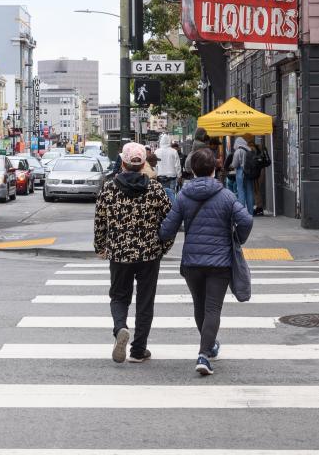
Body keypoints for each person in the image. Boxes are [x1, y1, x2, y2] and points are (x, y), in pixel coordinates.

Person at [159, 147, 253, 376]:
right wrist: (237, 239)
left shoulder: (183, 196)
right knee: (213, 308)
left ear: (192, 170)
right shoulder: (226, 196)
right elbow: (247, 221)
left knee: (200, 307)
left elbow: (167, 230)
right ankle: (204, 354)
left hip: (192, 262)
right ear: (214, 169)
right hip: (219, 263)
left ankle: (208, 346)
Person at [94, 142, 173, 364]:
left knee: (119, 297)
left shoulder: (109, 188)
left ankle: (120, 328)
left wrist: (100, 246)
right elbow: (170, 220)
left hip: (119, 253)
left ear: (124, 163)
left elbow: (100, 221)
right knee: (145, 302)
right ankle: (138, 350)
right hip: (149, 253)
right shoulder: (156, 189)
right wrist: (164, 246)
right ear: (143, 164)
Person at [230, 136, 255, 215]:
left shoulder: (238, 151)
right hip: (249, 173)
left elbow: (234, 164)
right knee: (249, 192)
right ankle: (250, 212)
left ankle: (242, 212)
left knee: (241, 191)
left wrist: (230, 165)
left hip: (240, 172)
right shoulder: (249, 150)